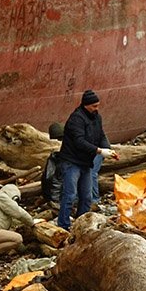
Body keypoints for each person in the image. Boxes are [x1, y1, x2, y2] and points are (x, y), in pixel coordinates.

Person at [55, 89, 118, 229]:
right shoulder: (76, 119)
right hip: (72, 161)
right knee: (70, 195)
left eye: (98, 105)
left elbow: (101, 134)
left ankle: (80, 225)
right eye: (94, 106)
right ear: (86, 105)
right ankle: (63, 225)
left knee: (86, 196)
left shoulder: (96, 117)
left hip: (85, 162)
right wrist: (99, 151)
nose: (97, 108)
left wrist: (108, 149)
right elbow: (79, 141)